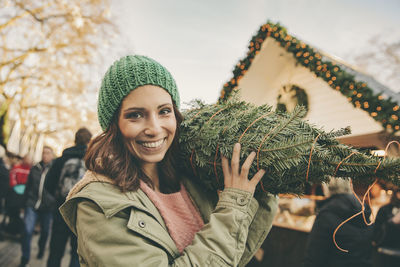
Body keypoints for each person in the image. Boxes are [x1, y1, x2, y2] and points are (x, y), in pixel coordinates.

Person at [59, 55, 278, 266]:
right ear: (113, 125)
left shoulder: (189, 178)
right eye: (135, 115)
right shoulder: (97, 203)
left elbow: (231, 256)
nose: (154, 129)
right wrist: (233, 206)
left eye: (164, 111)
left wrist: (264, 183)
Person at [45, 128, 92, 267]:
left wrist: (58, 197)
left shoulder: (62, 159)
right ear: (89, 141)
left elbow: (48, 184)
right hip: (82, 213)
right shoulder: (92, 161)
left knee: (55, 251)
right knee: (77, 254)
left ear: (75, 140)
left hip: (61, 209)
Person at [303, 178, 373, 267]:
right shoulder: (362, 211)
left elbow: (313, 258)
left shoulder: (326, 215)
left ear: (326, 186)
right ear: (349, 185)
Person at [19, 146, 55, 267]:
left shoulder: (55, 169)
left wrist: (52, 202)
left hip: (47, 207)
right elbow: (28, 186)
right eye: (43, 153)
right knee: (27, 230)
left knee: (45, 232)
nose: (45, 155)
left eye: (48, 153)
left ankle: (41, 249)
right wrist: (23, 204)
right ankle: (25, 258)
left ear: (52, 155)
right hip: (32, 204)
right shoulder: (35, 168)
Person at [372, 188, 400, 266]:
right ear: (398, 194)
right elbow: (376, 236)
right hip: (387, 256)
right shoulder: (385, 210)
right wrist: (392, 222)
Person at [6, 154, 32, 236]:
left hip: (25, 195)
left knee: (22, 214)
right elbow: (12, 178)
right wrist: (15, 186)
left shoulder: (32, 170)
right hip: (15, 194)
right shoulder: (16, 168)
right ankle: (13, 230)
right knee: (14, 212)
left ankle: (18, 230)